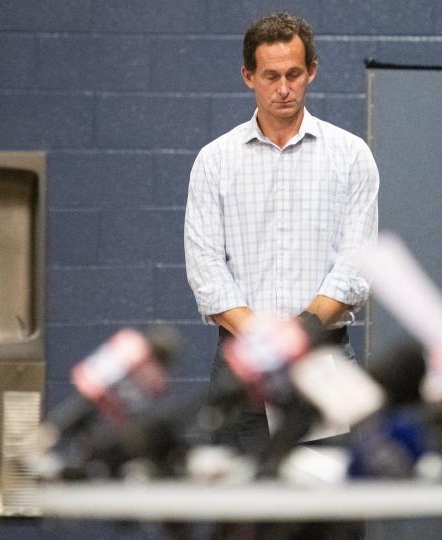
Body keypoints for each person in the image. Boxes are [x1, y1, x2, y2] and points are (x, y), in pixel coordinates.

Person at [184, 12, 379, 454]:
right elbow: (206, 269)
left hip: (324, 356)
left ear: (312, 71)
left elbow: (355, 265)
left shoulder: (351, 157)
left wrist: (300, 331)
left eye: (294, 74)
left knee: (327, 510)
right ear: (248, 76)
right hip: (241, 359)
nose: (284, 88)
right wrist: (262, 340)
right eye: (270, 76)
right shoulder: (214, 161)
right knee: (239, 509)